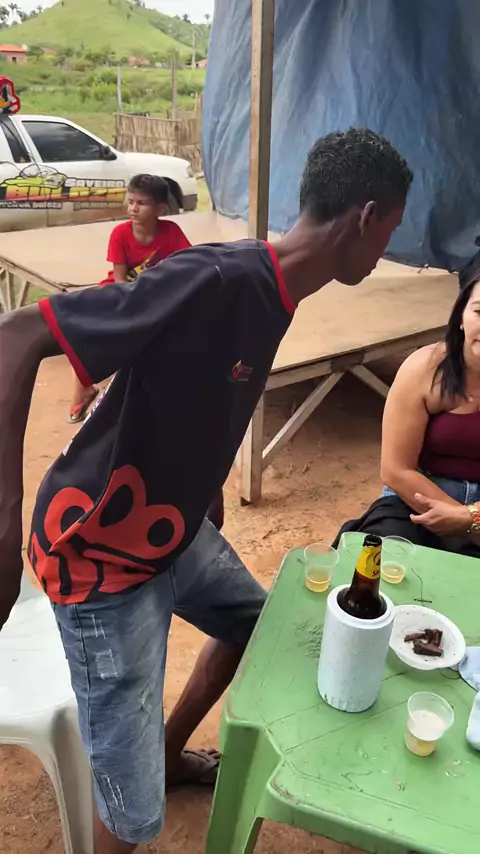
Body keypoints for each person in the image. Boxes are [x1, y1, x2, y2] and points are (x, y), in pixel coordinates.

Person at [0, 128, 412, 853]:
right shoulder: (216, 279)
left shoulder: (277, 291)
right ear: (366, 216)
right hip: (98, 556)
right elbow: (15, 335)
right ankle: (134, 797)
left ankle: (166, 752)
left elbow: (201, 388)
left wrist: (206, 484)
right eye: (390, 231)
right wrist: (4, 521)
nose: (386, 249)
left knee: (256, 626)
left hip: (172, 529)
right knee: (132, 817)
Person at [334, 268, 480, 556]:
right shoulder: (424, 368)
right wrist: (462, 521)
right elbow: (396, 470)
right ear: (461, 316)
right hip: (418, 494)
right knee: (378, 565)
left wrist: (471, 519)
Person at [69, 174, 190, 423]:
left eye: (141, 203)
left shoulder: (172, 232)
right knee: (85, 332)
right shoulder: (120, 233)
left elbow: (188, 265)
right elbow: (120, 279)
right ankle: (82, 389)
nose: (133, 208)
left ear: (160, 209)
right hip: (120, 293)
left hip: (155, 295)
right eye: (131, 201)